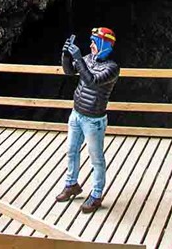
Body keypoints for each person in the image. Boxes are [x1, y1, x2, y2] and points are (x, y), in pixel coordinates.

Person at [56, 26, 120, 214]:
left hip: (94, 120)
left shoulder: (112, 68)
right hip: (76, 114)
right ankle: (71, 184)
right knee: (71, 151)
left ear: (103, 45)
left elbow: (92, 80)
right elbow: (69, 72)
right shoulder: (88, 59)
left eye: (94, 42)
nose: (91, 45)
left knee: (96, 159)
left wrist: (77, 58)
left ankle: (97, 195)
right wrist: (66, 55)